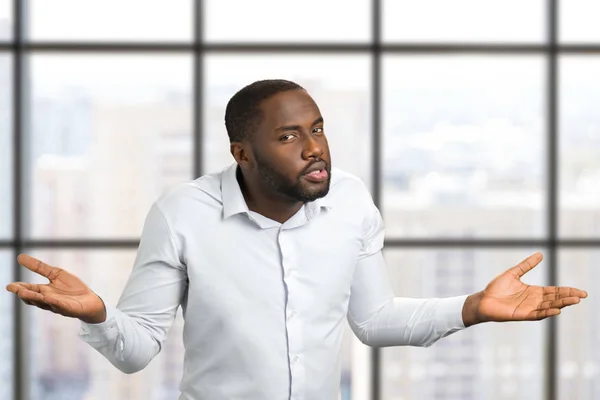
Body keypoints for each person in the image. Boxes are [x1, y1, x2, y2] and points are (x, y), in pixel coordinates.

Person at [6, 79, 588, 400]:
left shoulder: (352, 201)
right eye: (288, 136)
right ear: (243, 153)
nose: (314, 148)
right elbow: (136, 353)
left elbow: (374, 318)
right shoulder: (183, 213)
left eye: (317, 129)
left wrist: (472, 310)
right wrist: (99, 314)